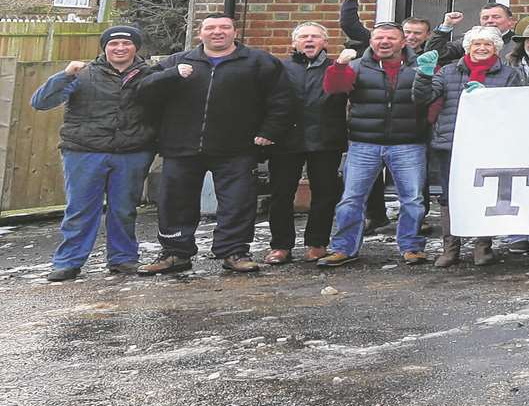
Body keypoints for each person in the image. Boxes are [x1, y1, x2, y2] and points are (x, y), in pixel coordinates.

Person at [134, 15, 291, 275]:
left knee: (237, 202)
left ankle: (234, 251)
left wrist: (270, 130)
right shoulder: (177, 61)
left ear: (234, 32)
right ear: (200, 34)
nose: (217, 32)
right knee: (175, 202)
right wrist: (173, 75)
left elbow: (282, 98)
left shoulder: (258, 62)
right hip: (181, 147)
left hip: (237, 148)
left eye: (224, 28)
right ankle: (175, 253)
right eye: (210, 28)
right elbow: (143, 91)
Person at [31, 24, 155, 281]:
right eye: (113, 44)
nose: (120, 48)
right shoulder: (83, 74)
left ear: (136, 47)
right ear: (105, 48)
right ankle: (69, 262)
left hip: (131, 152)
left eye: (126, 43)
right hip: (84, 151)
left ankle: (123, 259)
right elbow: (41, 102)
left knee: (124, 209)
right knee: (80, 209)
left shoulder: (150, 75)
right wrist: (64, 75)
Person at [317, 22, 432, 267]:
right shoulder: (356, 66)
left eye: (391, 38)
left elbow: (430, 99)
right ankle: (344, 248)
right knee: (351, 199)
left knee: (412, 199)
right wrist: (338, 66)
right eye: (379, 37)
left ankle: (411, 247)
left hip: (408, 143)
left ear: (403, 42)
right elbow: (334, 89)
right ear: (371, 42)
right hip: (363, 143)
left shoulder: (419, 66)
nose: (384, 42)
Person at [412, 25, 526, 268]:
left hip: (490, 144)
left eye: (487, 44)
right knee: (448, 196)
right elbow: (422, 99)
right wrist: (424, 74)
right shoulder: (449, 71)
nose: (482, 48)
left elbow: (518, 106)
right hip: (451, 144)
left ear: (496, 48)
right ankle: (450, 248)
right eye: (477, 44)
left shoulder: (509, 74)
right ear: (468, 48)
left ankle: (482, 246)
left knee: (485, 194)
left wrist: (489, 97)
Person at [265, 23, 348, 265]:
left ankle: (317, 243)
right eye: (303, 37)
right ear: (294, 43)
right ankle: (281, 246)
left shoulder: (337, 68)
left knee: (324, 193)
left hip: (326, 138)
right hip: (285, 140)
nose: (309, 40)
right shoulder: (279, 68)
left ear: (324, 43)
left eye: (315, 37)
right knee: (281, 194)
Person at [434, 2, 521, 62]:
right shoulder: (470, 41)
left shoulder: (519, 43)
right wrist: (446, 25)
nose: (490, 21)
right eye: (485, 18)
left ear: (510, 21)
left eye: (496, 17)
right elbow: (438, 54)